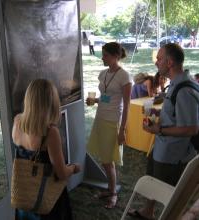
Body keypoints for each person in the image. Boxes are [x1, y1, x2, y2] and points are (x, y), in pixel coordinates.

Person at [128, 43, 199, 219]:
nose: (156, 62)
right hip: (163, 148)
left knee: (167, 193)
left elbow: (191, 128)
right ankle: (148, 211)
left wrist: (160, 129)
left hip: (173, 154)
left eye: (159, 58)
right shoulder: (177, 84)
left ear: (170, 62)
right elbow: (176, 115)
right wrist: (158, 120)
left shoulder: (184, 90)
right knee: (153, 180)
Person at [12, 79, 81, 220]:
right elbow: (61, 173)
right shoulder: (50, 132)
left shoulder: (18, 121)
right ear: (52, 102)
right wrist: (74, 168)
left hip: (24, 195)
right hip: (46, 199)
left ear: (29, 99)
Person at [86, 42, 132, 209]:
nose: (102, 58)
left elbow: (127, 105)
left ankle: (113, 194)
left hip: (113, 121)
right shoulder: (103, 74)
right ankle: (111, 189)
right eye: (103, 54)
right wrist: (95, 100)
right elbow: (107, 97)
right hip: (100, 118)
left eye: (105, 55)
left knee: (108, 160)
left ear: (116, 56)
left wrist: (122, 130)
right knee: (105, 158)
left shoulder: (124, 76)